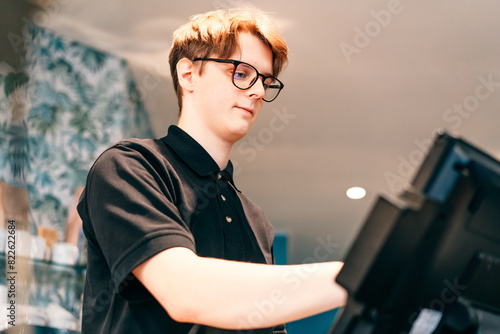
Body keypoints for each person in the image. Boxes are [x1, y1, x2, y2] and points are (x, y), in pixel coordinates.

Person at [77, 8, 347, 334]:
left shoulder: (256, 220)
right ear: (188, 75)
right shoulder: (128, 168)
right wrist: (356, 278)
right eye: (242, 73)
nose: (258, 91)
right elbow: (185, 292)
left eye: (266, 80)